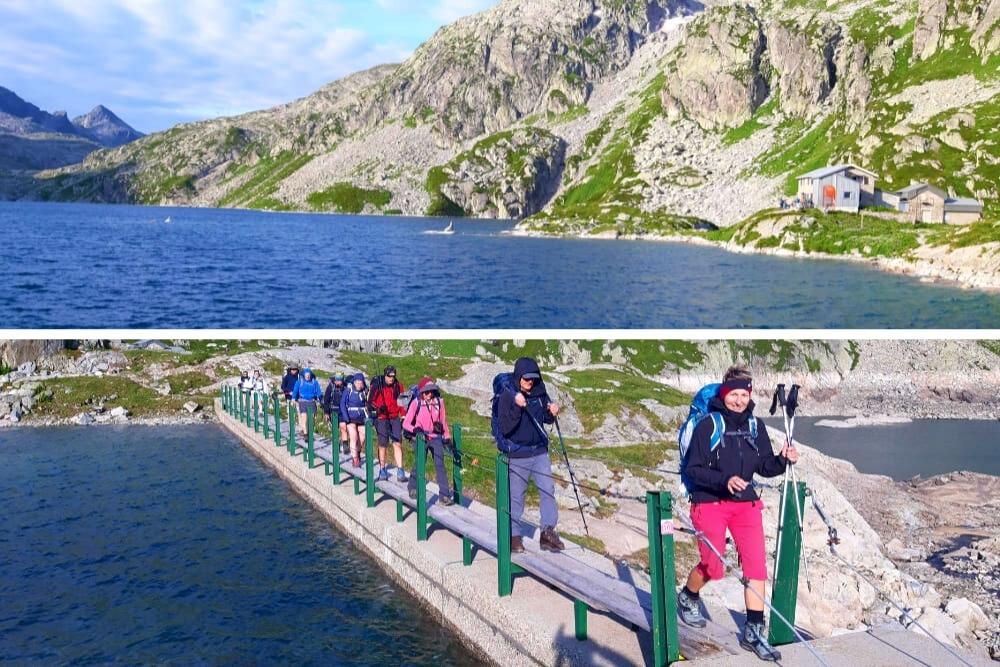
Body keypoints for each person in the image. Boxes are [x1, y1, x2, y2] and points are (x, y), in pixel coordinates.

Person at [676, 364, 799, 662]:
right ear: (724, 393)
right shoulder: (709, 425)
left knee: (756, 566)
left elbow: (764, 467)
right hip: (709, 502)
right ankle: (688, 596)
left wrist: (782, 460)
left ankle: (754, 631)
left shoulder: (754, 426)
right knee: (714, 567)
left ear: (750, 394)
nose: (739, 400)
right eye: (734, 394)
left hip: (745, 503)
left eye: (744, 394)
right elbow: (692, 469)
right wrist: (724, 480)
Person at [495, 357, 564, 554]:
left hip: (540, 451)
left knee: (547, 489)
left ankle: (547, 533)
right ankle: (514, 536)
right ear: (518, 377)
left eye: (533, 378)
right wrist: (517, 406)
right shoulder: (508, 395)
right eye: (526, 379)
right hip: (518, 454)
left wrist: (551, 412)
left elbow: (544, 419)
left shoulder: (540, 393)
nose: (530, 382)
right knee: (517, 497)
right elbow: (506, 428)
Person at [402, 378, 454, 506]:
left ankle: (444, 496)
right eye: (425, 392)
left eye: (430, 391)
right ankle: (412, 487)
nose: (428, 394)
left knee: (440, 464)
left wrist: (447, 437)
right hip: (420, 437)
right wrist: (416, 429)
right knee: (420, 462)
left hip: (435, 437)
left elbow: (443, 421)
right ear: (421, 392)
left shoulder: (439, 402)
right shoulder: (416, 403)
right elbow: (406, 423)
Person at [368, 365, 407, 482]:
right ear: (385, 375)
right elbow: (370, 402)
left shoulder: (398, 386)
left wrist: (403, 415)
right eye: (389, 376)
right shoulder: (377, 386)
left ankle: (400, 469)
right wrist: (379, 408)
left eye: (393, 376)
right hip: (382, 417)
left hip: (394, 417)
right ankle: (382, 468)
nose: (391, 379)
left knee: (397, 442)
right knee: (383, 444)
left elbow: (402, 402)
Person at [339, 372, 369, 468]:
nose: (359, 384)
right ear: (354, 382)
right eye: (358, 382)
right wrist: (346, 418)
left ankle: (358, 451)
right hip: (350, 417)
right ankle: (355, 459)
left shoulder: (365, 391)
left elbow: (369, 403)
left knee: (363, 436)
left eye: (361, 382)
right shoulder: (348, 390)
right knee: (353, 436)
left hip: (362, 417)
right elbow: (342, 404)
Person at [323, 373, 349, 455]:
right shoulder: (330, 387)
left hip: (342, 410)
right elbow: (326, 399)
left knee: (343, 427)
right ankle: (336, 445)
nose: (338, 382)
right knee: (335, 429)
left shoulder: (346, 387)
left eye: (340, 380)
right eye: (337, 380)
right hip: (333, 411)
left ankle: (345, 445)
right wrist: (326, 412)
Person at [291, 367, 322, 436]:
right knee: (304, 418)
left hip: (312, 401)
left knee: (312, 419)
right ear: (304, 375)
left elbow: (319, 392)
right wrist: (293, 398)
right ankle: (305, 434)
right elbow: (295, 390)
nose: (307, 376)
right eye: (306, 374)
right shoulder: (299, 382)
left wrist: (321, 400)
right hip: (303, 401)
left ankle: (309, 431)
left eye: (309, 374)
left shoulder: (314, 382)